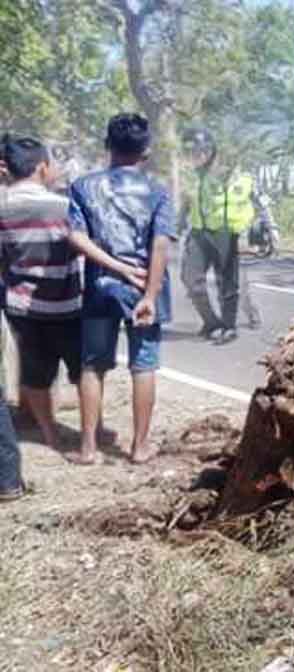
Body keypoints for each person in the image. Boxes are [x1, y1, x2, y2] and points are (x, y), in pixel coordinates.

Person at [66, 113, 176, 465]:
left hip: (100, 288)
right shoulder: (158, 191)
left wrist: (116, 267)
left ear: (107, 145)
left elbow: (76, 237)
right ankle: (139, 447)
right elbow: (160, 245)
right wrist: (149, 295)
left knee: (92, 365)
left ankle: (88, 448)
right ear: (146, 152)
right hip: (145, 287)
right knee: (143, 365)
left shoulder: (83, 186)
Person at [0, 136, 84, 452]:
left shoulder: (3, 206)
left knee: (35, 372)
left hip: (22, 306)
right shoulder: (64, 206)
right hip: (68, 303)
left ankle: (49, 434)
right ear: (42, 167)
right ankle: (91, 433)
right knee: (83, 371)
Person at [180, 128, 254, 345]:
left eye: (199, 151)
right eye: (190, 152)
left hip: (225, 233)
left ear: (210, 151)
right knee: (190, 280)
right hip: (198, 233)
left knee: (227, 283)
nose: (194, 156)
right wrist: (177, 223)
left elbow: (246, 202)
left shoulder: (228, 173)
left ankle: (229, 327)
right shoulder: (192, 175)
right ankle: (211, 321)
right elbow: (187, 201)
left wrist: (245, 234)